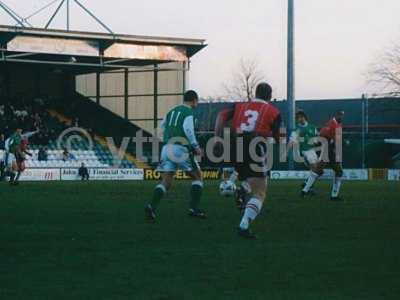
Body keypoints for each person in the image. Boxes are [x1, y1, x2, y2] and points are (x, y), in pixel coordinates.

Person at [215, 82, 281, 238]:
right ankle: (243, 226)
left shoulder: (240, 106)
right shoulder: (273, 112)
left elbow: (221, 115)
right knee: (260, 191)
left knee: (248, 178)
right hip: (255, 145)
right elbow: (278, 138)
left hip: (236, 144)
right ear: (270, 96)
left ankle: (242, 190)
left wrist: (217, 137)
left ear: (255, 93)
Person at [145, 90, 206, 222]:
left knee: (166, 181)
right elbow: (188, 129)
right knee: (198, 177)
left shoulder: (171, 111)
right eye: (197, 101)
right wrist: (195, 146)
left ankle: (151, 206)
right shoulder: (188, 112)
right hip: (180, 148)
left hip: (166, 148)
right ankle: (194, 209)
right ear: (194, 100)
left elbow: (161, 127)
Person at [288, 110, 323, 197]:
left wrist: (317, 141)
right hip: (306, 152)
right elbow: (291, 141)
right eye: (298, 118)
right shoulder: (297, 130)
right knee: (315, 169)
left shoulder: (312, 127)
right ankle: (305, 190)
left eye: (301, 117)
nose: (300, 119)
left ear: (305, 117)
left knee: (319, 172)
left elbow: (317, 137)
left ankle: (307, 184)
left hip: (313, 151)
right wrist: (285, 151)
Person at [320, 110, 345, 201]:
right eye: (339, 115)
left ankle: (306, 188)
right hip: (331, 150)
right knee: (338, 172)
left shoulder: (338, 124)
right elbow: (323, 135)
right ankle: (334, 195)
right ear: (336, 115)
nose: (341, 117)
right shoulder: (331, 124)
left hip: (334, 150)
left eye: (342, 115)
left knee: (337, 171)